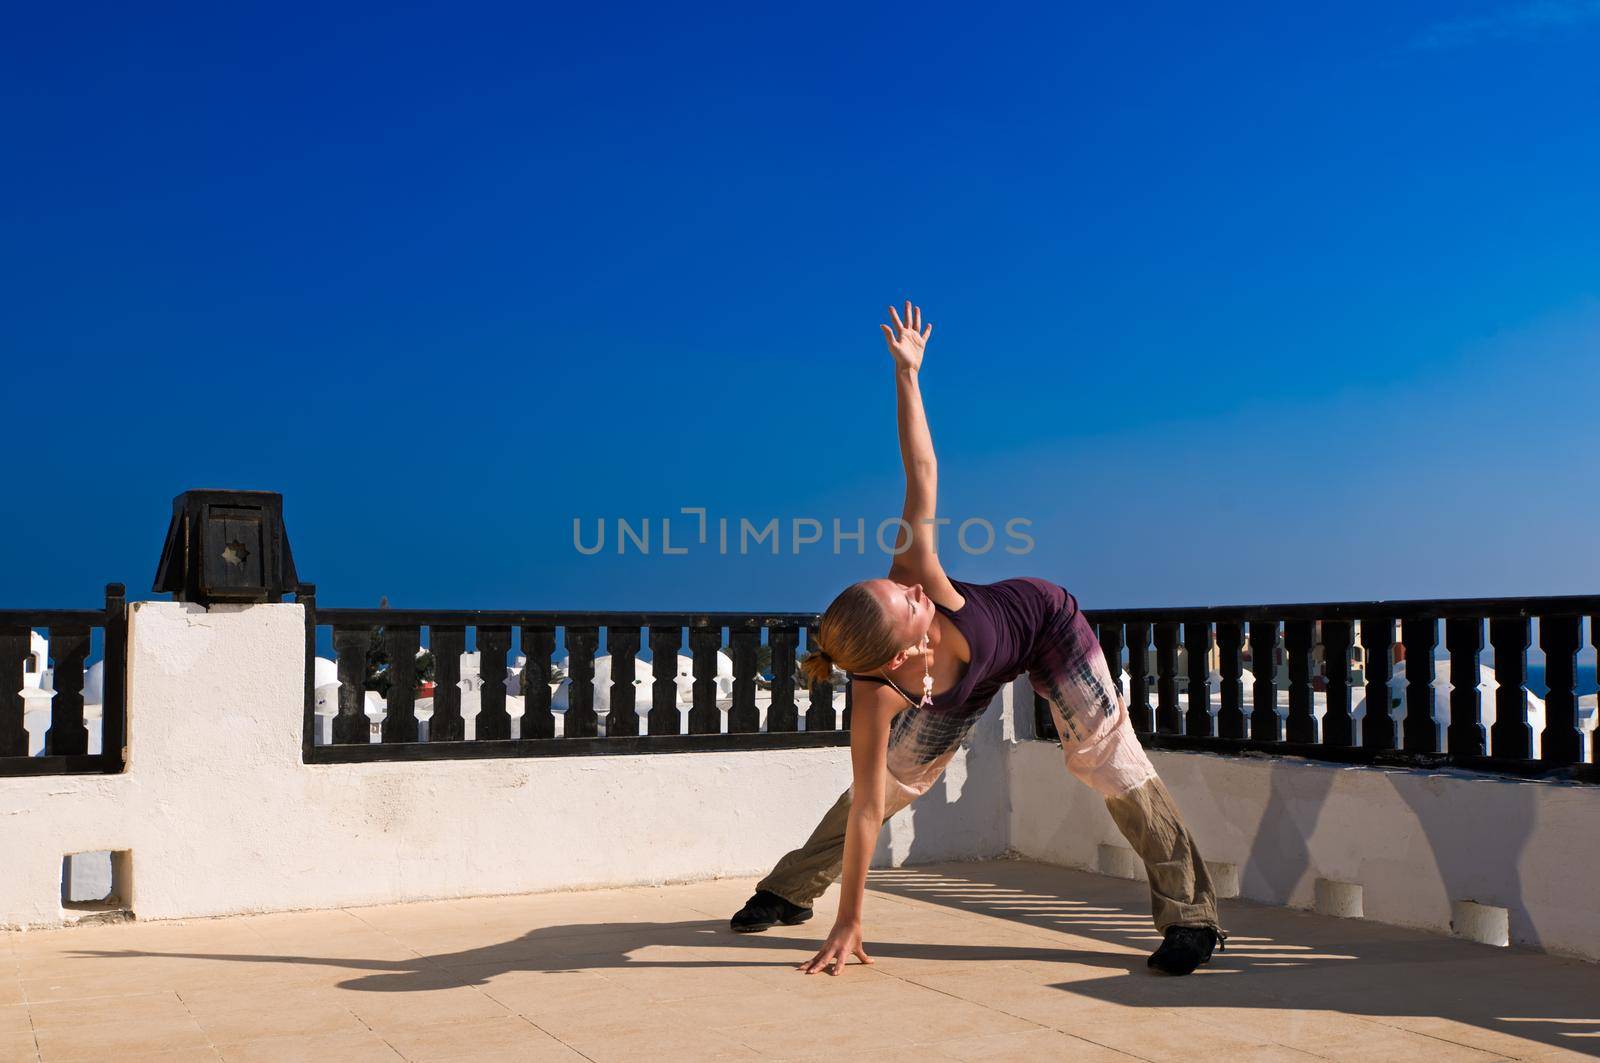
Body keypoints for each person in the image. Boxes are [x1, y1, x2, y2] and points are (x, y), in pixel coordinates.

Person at [729, 301, 1227, 977]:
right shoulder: (876, 694)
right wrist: (851, 918)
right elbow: (872, 804)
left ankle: (1191, 916)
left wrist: (907, 374)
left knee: (1106, 756)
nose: (908, 585)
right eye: (903, 599)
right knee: (894, 781)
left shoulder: (918, 572)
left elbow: (923, 471)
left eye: (895, 584)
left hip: (1045, 626)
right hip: (954, 687)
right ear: (896, 656)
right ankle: (791, 892)